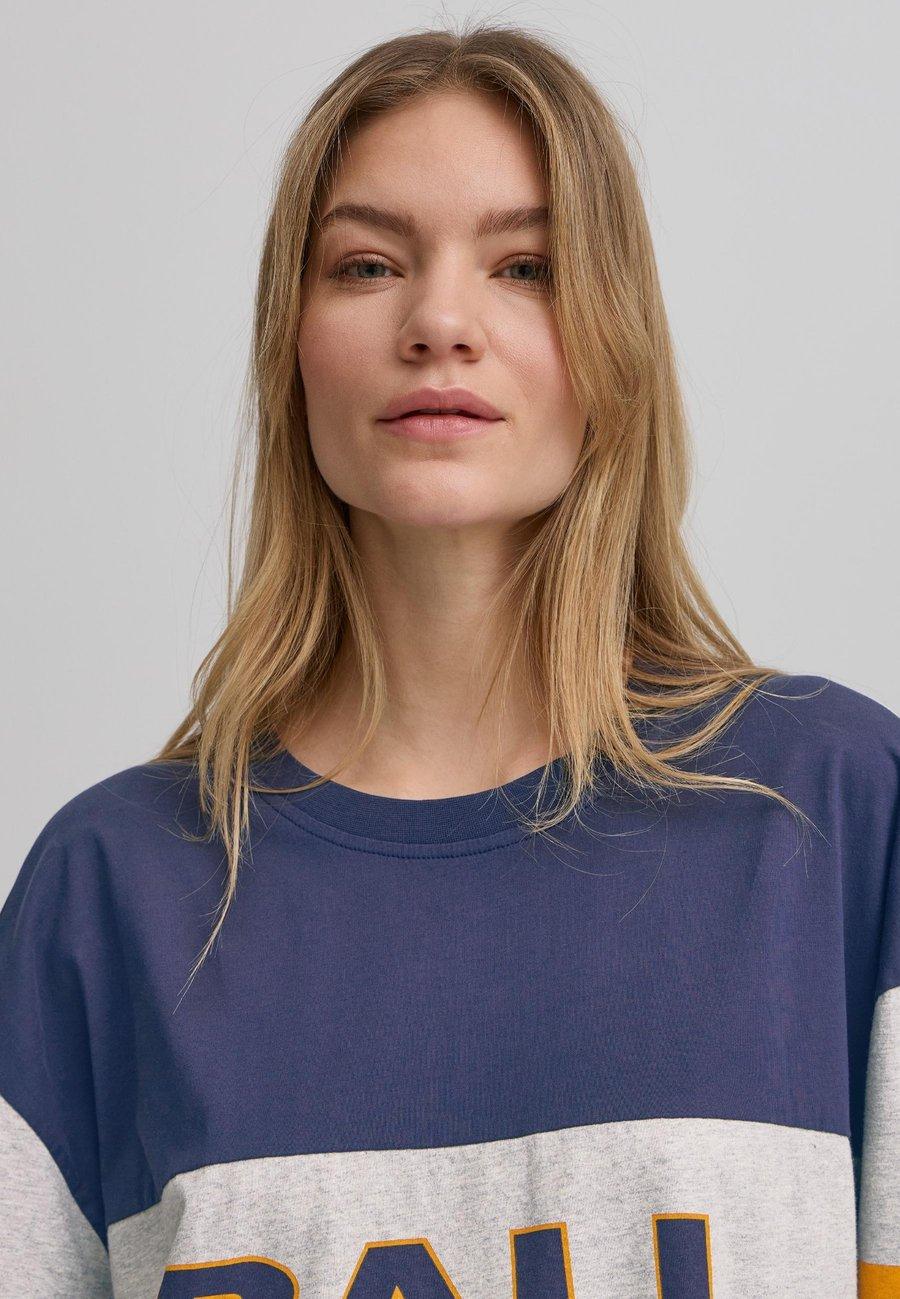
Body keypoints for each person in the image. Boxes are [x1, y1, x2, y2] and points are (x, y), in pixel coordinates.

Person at [1, 21, 897, 1299]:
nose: (438, 321)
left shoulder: (837, 816)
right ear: (291, 344)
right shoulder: (110, 896)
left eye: (526, 266)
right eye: (367, 265)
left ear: (615, 338)